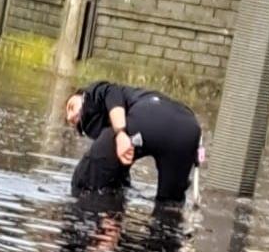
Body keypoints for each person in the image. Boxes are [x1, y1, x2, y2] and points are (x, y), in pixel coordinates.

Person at [66, 81, 201, 204]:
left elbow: (112, 91)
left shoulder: (93, 92)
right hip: (188, 129)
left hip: (146, 116)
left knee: (82, 184)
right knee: (170, 206)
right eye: (72, 123)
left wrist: (120, 133)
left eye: (71, 107)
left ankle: (97, 221)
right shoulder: (135, 99)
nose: (70, 116)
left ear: (82, 96)